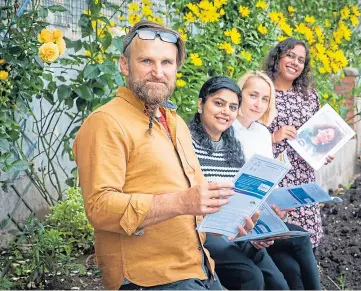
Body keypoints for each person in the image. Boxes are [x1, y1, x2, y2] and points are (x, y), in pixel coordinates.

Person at [72, 20, 256, 291]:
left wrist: (230, 218)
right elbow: (100, 208)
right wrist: (182, 202)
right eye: (146, 61)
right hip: (148, 280)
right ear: (125, 65)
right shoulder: (106, 121)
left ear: (176, 70)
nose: (158, 72)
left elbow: (193, 203)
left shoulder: (176, 123)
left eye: (167, 63)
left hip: (199, 268)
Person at [189, 76, 289, 290]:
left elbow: (243, 200)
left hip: (234, 229)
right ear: (200, 104)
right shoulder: (187, 143)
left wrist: (256, 234)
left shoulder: (233, 146)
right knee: (251, 277)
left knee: (278, 283)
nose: (226, 111)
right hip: (204, 230)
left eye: (233, 107)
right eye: (218, 103)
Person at [235, 71, 321, 290]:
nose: (259, 104)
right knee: (301, 238)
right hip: (240, 219)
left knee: (291, 268)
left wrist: (278, 206)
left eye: (265, 99)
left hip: (263, 214)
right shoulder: (227, 130)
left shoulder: (262, 133)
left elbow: (268, 180)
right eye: (253, 95)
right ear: (239, 94)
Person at [263, 37, 334, 257]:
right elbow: (245, 133)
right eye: (290, 55)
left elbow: (317, 133)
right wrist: (273, 137)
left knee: (307, 245)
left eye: (301, 60)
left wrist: (325, 151)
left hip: (304, 177)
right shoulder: (263, 93)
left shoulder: (309, 96)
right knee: (278, 246)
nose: (295, 62)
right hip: (275, 177)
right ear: (278, 57)